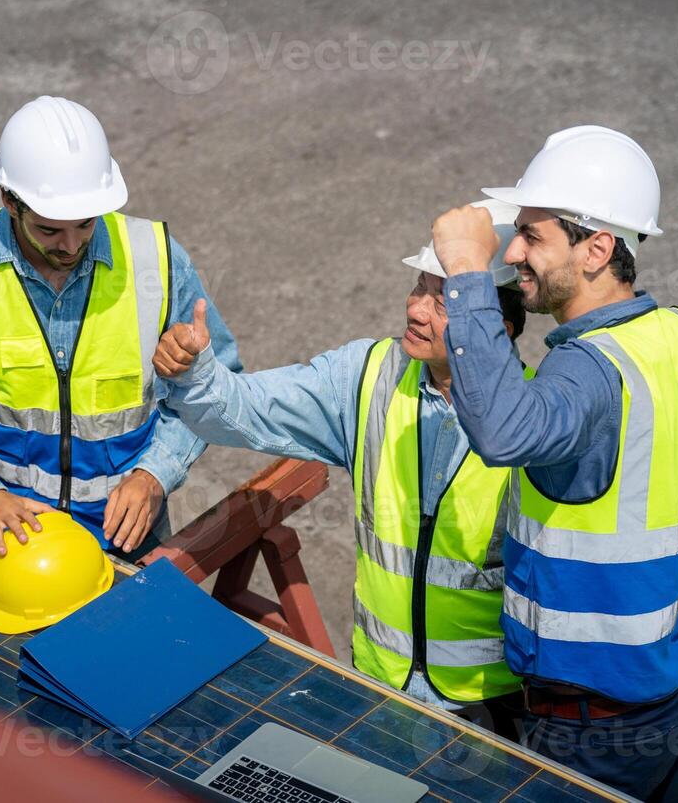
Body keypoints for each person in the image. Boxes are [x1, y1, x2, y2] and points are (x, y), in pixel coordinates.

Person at [429, 125, 678, 801]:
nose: (513, 254)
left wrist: (464, 274)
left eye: (534, 236)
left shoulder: (589, 370)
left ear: (598, 248)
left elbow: (505, 433)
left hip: (592, 730)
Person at [151, 203, 530, 737]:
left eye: (442, 299)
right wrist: (195, 376)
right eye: (419, 286)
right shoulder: (368, 376)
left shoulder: (539, 419)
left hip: (493, 707)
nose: (416, 309)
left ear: (498, 327)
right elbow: (244, 410)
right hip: (381, 692)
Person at [0, 95, 241, 568]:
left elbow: (220, 381)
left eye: (86, 224)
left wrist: (157, 473)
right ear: (9, 200)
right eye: (50, 230)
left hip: (134, 531)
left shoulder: (156, 259)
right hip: (18, 536)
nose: (71, 245)